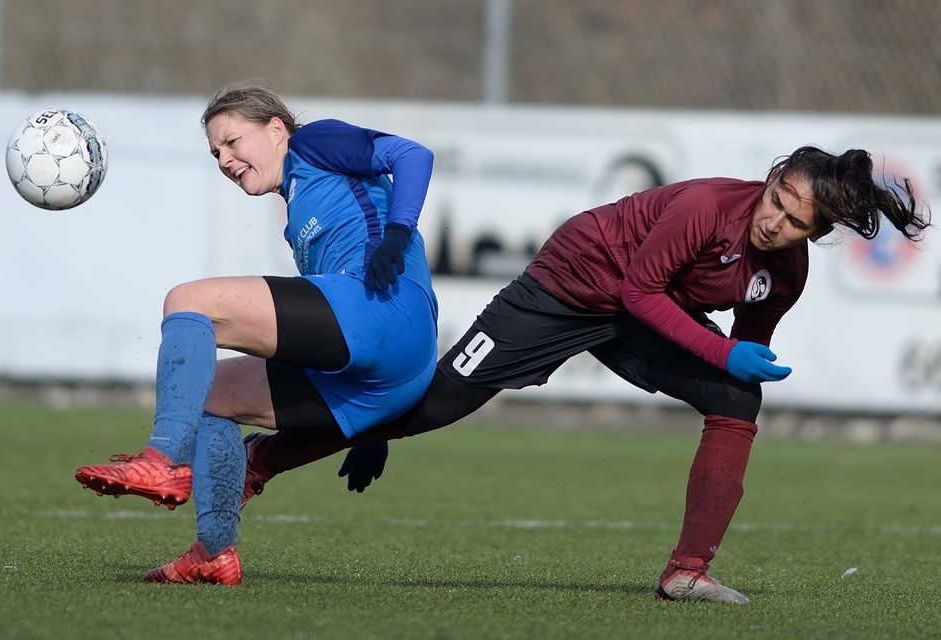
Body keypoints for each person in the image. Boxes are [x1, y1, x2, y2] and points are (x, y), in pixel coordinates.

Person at [235, 146, 929, 603]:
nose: (773, 221)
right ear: (771, 178)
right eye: (776, 198)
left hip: (640, 317)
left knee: (737, 400)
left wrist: (737, 363)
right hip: (570, 284)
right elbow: (640, 291)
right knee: (429, 405)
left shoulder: (786, 273)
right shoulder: (707, 208)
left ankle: (687, 572)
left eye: (795, 222)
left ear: (815, 234)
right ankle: (258, 460)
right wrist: (724, 354)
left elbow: (742, 346)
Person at [73, 81, 439, 585]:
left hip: (386, 314)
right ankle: (213, 551)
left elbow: (414, 155)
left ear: (275, 129)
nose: (224, 160)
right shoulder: (299, 204)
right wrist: (373, 425)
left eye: (232, 141)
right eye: (215, 153)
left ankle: (161, 459)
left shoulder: (313, 143)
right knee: (211, 397)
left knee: (188, 301)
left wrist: (398, 231)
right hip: (386, 370)